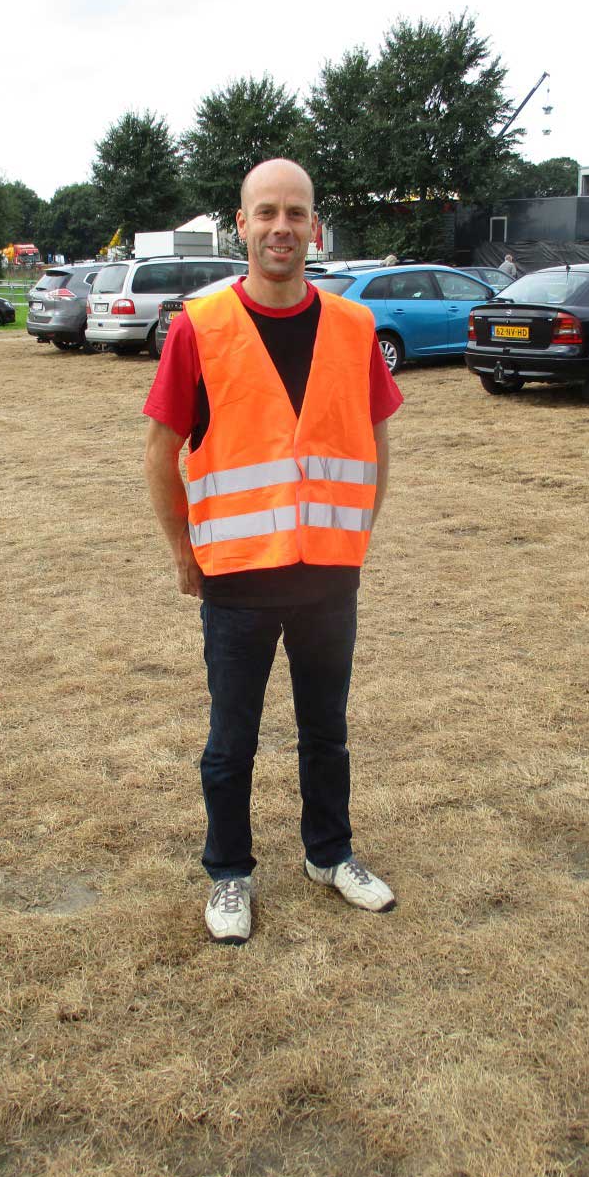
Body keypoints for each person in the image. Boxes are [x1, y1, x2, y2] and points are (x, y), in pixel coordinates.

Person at [143, 159, 403, 946]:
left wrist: (358, 533)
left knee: (328, 731)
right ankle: (229, 872)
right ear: (242, 223)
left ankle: (330, 854)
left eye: (296, 213)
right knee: (232, 740)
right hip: (239, 580)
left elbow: (378, 438)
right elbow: (160, 451)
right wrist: (185, 552)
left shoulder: (355, 328)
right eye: (267, 213)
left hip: (328, 575)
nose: (282, 227)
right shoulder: (200, 326)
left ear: (314, 226)